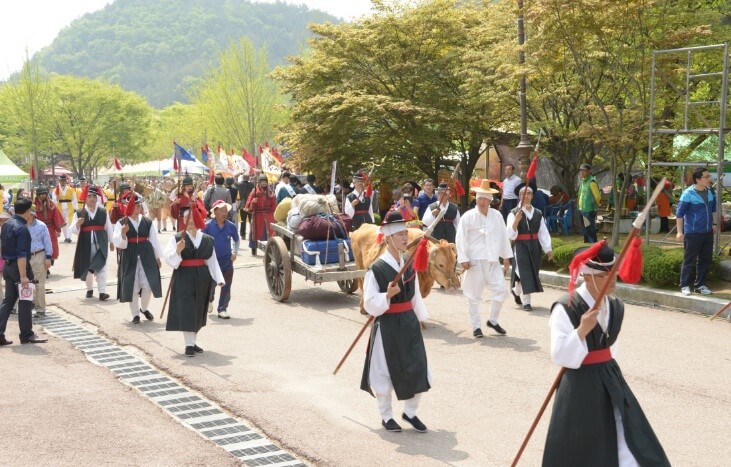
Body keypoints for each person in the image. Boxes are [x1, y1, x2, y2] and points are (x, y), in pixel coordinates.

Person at [543, 244, 670, 467]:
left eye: (614, 274)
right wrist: (581, 331)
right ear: (587, 277)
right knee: (583, 445)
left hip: (610, 378)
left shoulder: (615, 306)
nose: (612, 280)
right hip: (579, 384)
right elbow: (559, 355)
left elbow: (611, 349)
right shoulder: (566, 307)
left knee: (631, 437)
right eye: (605, 276)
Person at [360, 210, 430, 433]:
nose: (405, 238)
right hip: (387, 325)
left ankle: (410, 412)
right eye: (400, 234)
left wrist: (419, 318)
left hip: (408, 322)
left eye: (405, 233)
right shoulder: (377, 269)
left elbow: (415, 294)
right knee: (384, 371)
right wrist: (386, 296)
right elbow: (369, 303)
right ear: (388, 237)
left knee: (418, 367)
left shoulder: (407, 263)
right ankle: (386, 416)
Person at [163, 203, 224, 357]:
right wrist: (177, 251)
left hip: (202, 277)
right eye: (187, 219)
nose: (189, 222)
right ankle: (188, 345)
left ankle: (193, 341)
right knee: (187, 309)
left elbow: (212, 261)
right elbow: (169, 260)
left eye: (192, 219)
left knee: (198, 309)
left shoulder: (208, 239)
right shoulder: (177, 238)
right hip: (184, 276)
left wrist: (219, 279)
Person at [456, 179, 513, 337]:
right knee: (474, 295)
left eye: (486, 199)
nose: (482, 201)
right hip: (475, 260)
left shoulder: (497, 216)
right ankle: (476, 326)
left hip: (493, 260)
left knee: (501, 290)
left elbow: (503, 236)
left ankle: (492, 321)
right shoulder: (468, 216)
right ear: (476, 198)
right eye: (480, 198)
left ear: (490, 200)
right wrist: (463, 258)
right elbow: (460, 238)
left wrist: (507, 257)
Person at [0, 198, 48, 345]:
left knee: (8, 301)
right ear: (27, 212)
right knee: (26, 300)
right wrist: (23, 276)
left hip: (8, 266)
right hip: (19, 268)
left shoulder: (7, 224)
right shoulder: (22, 229)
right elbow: (21, 255)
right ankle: (27, 335)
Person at [112, 193, 163, 324]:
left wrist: (157, 256)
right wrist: (123, 233)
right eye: (133, 206)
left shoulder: (147, 222)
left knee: (148, 285)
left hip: (147, 255)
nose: (136, 208)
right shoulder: (121, 222)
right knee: (132, 287)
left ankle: (144, 308)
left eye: (138, 205)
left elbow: (154, 240)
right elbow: (119, 243)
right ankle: (135, 314)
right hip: (129, 255)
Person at [506, 185, 553, 311]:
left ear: (532, 196)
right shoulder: (513, 213)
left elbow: (543, 232)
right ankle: (527, 302)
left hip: (534, 245)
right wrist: (516, 221)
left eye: (528, 194)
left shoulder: (538, 213)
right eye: (522, 194)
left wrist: (548, 249)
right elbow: (510, 234)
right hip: (521, 245)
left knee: (532, 271)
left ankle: (516, 291)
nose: (525, 196)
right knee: (524, 271)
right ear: (519, 196)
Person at [676, 167, 716, 296]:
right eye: (706, 177)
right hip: (693, 232)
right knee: (689, 260)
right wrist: (679, 232)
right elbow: (680, 214)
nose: (709, 179)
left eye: (709, 176)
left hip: (708, 231)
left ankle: (700, 285)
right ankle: (684, 285)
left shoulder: (710, 191)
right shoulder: (688, 194)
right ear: (698, 179)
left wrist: (714, 224)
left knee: (705, 259)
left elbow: (713, 209)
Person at [71, 186, 115, 301]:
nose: (91, 199)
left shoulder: (102, 212)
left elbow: (108, 227)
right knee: (88, 267)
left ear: (97, 198)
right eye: (89, 196)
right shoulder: (79, 213)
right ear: (85, 198)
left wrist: (111, 241)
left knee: (102, 267)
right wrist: (77, 224)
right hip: (85, 243)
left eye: (94, 196)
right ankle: (89, 288)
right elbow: (73, 231)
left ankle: (102, 292)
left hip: (101, 242)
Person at [202, 200, 240, 319]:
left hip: (227, 261)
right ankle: (209, 299)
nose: (224, 213)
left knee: (226, 285)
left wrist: (235, 252)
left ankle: (222, 309)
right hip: (212, 261)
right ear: (215, 212)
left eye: (225, 211)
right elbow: (202, 241)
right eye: (221, 211)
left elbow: (236, 240)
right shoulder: (207, 226)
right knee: (211, 284)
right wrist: (203, 256)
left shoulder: (231, 226)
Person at [27, 206, 53, 316]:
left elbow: (47, 242)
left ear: (32, 214)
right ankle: (27, 305)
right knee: (25, 283)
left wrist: (48, 258)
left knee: (39, 284)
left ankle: (40, 308)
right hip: (24, 257)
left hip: (38, 255)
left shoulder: (41, 226)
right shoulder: (20, 225)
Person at [33, 186, 66, 270]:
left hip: (50, 229)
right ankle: (42, 267)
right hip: (37, 229)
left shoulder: (51, 204)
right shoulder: (33, 205)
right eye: (41, 194)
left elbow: (56, 217)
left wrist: (58, 230)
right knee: (39, 247)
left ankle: (47, 266)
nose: (43, 196)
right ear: (38, 195)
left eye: (44, 194)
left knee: (51, 246)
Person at [244, 175, 276, 256]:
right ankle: (254, 249)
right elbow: (248, 206)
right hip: (257, 216)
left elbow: (274, 205)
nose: (264, 183)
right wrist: (253, 202)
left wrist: (274, 215)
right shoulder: (254, 192)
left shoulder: (271, 193)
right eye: (262, 182)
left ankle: (269, 250)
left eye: (265, 181)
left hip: (268, 216)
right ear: (259, 182)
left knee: (270, 233)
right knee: (255, 232)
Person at [577, 163, 602, 243]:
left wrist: (594, 207)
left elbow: (597, 197)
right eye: (580, 170)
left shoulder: (592, 182)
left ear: (589, 171)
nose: (581, 172)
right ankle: (587, 245)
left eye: (584, 170)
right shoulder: (583, 182)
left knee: (589, 229)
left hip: (588, 210)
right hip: (582, 209)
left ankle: (592, 245)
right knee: (585, 229)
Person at [52, 174, 78, 243]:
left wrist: (75, 208)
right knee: (63, 223)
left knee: (70, 222)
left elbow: (74, 198)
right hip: (60, 207)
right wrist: (56, 199)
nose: (62, 182)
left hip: (69, 207)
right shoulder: (55, 190)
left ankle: (69, 237)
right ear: (59, 181)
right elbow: (53, 199)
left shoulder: (71, 189)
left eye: (64, 180)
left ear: (66, 181)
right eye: (61, 181)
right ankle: (66, 236)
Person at [236, 174, 254, 239]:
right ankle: (251, 234)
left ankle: (242, 234)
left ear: (243, 178)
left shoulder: (239, 185)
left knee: (243, 220)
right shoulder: (252, 185)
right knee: (251, 220)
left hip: (242, 204)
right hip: (250, 204)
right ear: (248, 178)